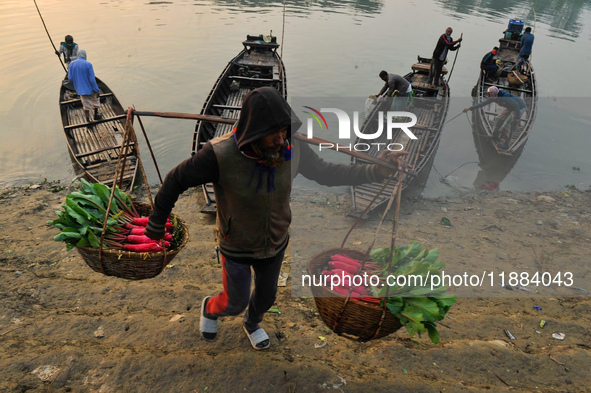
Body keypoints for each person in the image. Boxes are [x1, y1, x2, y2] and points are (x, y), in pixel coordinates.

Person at [144, 87, 409, 350]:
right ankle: (210, 309)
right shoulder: (219, 155)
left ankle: (251, 324)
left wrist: (376, 171)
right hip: (236, 244)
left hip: (276, 241)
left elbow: (327, 173)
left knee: (267, 297)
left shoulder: (293, 146)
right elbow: (175, 180)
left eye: (285, 130)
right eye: (274, 133)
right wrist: (157, 223)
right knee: (234, 302)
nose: (282, 140)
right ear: (254, 133)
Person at [67, 50, 103, 123]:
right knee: (95, 100)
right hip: (90, 89)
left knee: (86, 105)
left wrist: (78, 83)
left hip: (80, 90)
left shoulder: (71, 64)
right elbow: (92, 79)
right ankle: (96, 115)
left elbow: (70, 78)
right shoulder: (88, 64)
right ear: (85, 56)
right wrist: (96, 90)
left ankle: (87, 119)